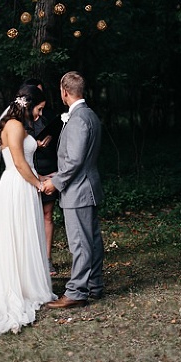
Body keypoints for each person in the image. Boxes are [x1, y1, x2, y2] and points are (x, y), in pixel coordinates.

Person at [0, 84, 56, 344]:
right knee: (17, 237)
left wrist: (40, 176)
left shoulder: (18, 124)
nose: (39, 115)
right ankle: (18, 291)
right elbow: (18, 163)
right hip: (17, 188)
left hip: (23, 184)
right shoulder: (14, 125)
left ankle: (28, 284)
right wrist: (38, 184)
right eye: (38, 109)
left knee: (25, 237)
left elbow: (24, 159)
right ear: (28, 105)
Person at [42, 71, 104, 308]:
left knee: (80, 243)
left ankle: (77, 292)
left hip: (77, 191)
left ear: (64, 92)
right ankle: (95, 285)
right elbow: (81, 159)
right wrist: (56, 175)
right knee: (92, 241)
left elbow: (75, 159)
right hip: (87, 186)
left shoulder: (78, 119)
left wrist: (55, 183)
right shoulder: (90, 115)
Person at [22, 78, 60, 277]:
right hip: (29, 171)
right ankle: (29, 260)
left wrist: (50, 138)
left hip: (47, 167)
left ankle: (46, 260)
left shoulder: (48, 116)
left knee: (47, 215)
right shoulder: (19, 121)